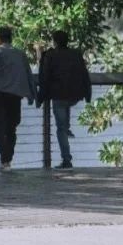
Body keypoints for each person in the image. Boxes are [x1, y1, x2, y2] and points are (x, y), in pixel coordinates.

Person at [0, 26, 36, 171]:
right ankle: (7, 159)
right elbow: (28, 74)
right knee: (11, 128)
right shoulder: (20, 54)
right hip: (15, 96)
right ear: (11, 38)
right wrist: (31, 94)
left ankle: (4, 159)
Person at [37, 30, 92, 169]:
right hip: (74, 95)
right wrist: (88, 94)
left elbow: (44, 77)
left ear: (54, 41)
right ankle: (67, 128)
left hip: (58, 96)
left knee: (60, 128)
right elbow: (84, 74)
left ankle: (66, 159)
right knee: (65, 111)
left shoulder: (50, 55)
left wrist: (40, 98)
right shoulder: (75, 54)